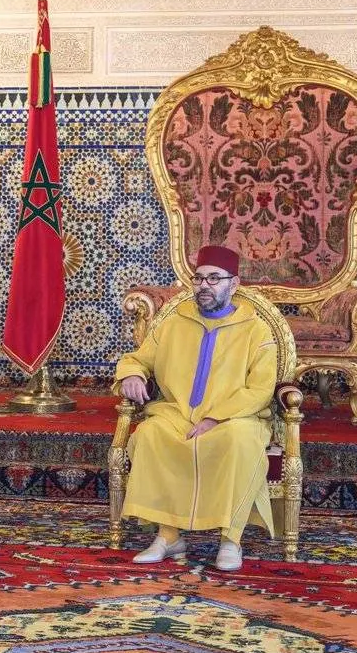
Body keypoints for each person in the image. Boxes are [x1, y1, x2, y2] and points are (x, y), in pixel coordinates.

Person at [115, 245, 277, 572]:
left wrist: (215, 417)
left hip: (235, 417)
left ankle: (231, 540)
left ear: (234, 284)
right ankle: (168, 536)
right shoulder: (173, 324)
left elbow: (260, 389)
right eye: (199, 278)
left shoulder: (256, 330)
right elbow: (138, 359)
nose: (204, 286)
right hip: (177, 414)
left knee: (238, 442)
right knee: (150, 435)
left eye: (214, 279)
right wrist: (132, 373)